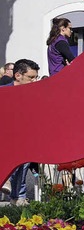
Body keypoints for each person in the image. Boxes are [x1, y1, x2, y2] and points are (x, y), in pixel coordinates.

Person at [1, 59, 40, 206]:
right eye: (31, 77)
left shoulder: (33, 95)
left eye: (36, 77)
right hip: (7, 138)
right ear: (18, 75)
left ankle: (18, 199)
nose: (35, 80)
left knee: (22, 168)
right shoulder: (4, 92)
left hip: (25, 138)